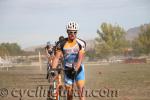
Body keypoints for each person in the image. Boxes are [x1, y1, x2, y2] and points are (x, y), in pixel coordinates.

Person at [52, 21, 86, 100]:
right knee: (69, 94)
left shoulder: (81, 43)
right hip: (67, 70)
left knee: (81, 90)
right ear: (67, 32)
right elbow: (56, 58)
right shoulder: (61, 43)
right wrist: (53, 70)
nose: (73, 34)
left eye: (75, 32)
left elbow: (80, 58)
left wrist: (76, 68)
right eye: (71, 32)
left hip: (79, 69)